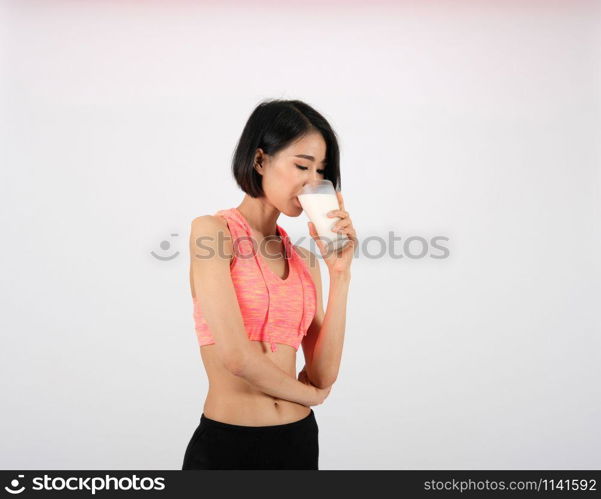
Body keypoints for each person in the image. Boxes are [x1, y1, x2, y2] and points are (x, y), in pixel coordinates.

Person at [182, 99, 357, 470]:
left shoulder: (306, 261)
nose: (313, 182)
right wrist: (312, 395)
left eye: (321, 171)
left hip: (298, 442)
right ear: (260, 160)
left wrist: (340, 274)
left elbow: (323, 372)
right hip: (228, 445)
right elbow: (237, 358)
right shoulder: (213, 233)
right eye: (301, 166)